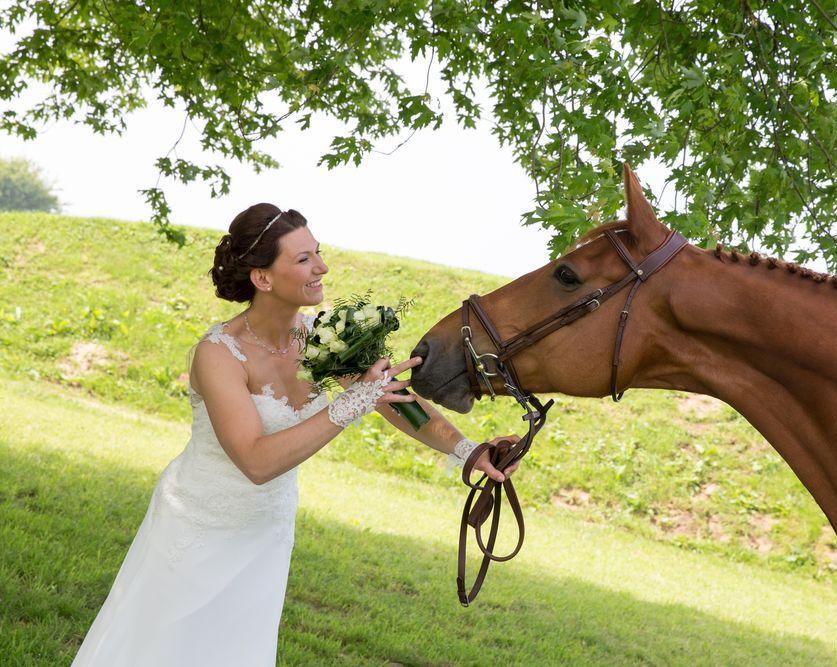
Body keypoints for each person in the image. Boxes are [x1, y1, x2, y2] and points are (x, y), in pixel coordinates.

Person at [73, 203, 519, 666]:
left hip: (266, 531)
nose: (322, 267)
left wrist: (469, 450)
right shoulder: (218, 354)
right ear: (262, 278)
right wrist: (351, 403)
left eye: (318, 253)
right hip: (196, 526)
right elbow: (256, 462)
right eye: (304, 259)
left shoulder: (322, 338)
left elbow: (396, 401)